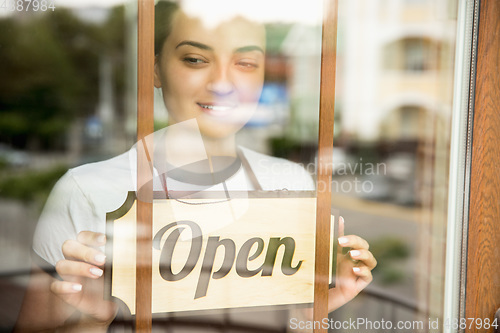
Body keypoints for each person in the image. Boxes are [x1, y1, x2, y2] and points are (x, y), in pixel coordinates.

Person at [15, 1, 376, 331]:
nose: (221, 83)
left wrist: (318, 309)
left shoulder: (289, 181)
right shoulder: (85, 192)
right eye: (195, 59)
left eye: (246, 63)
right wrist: (94, 320)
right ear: (155, 68)